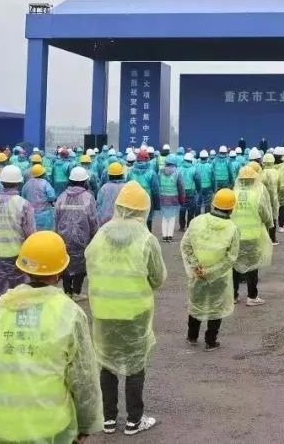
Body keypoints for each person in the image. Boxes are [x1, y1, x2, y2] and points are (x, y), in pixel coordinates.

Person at [0, 231, 103, 443]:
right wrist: (86, 425)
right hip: (50, 428)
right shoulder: (69, 314)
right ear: (61, 271)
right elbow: (83, 378)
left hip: (1, 425)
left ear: (24, 268)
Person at [86, 181, 166, 436]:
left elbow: (90, 264)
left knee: (107, 364)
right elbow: (158, 278)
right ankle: (134, 420)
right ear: (143, 209)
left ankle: (108, 418)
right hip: (135, 312)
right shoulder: (146, 239)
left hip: (103, 310)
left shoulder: (101, 234)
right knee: (135, 364)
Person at [180, 188, 240, 351]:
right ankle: (210, 341)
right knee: (216, 307)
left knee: (197, 303)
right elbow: (231, 257)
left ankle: (192, 336)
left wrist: (196, 267)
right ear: (231, 208)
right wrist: (211, 272)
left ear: (214, 204)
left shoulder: (197, 221)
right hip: (219, 277)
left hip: (197, 273)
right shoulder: (232, 228)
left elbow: (186, 245)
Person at [0, 165, 34, 309]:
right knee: (17, 291)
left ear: (1, 182)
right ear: (19, 182)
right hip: (16, 253)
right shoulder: (23, 204)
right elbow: (30, 233)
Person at [231, 165, 274, 305]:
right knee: (253, 267)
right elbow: (265, 214)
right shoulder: (257, 194)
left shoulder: (233, 194)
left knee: (234, 266)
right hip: (253, 235)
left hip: (235, 235)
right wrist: (268, 224)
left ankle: (233, 295)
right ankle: (252, 296)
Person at [54, 167, 99, 299]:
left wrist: (57, 235)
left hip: (64, 237)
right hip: (82, 238)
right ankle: (77, 292)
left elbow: (56, 217)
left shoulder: (62, 197)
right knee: (80, 265)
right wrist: (94, 236)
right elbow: (93, 220)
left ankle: (67, 291)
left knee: (65, 263)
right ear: (85, 182)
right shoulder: (88, 198)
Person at [156, 155, 186, 242]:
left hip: (163, 197)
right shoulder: (177, 173)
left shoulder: (160, 172)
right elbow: (181, 187)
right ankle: (169, 236)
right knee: (172, 217)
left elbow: (157, 185)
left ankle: (164, 236)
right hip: (173, 199)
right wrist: (182, 197)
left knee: (164, 217)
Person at [22, 164, 58, 231]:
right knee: (45, 233)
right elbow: (52, 196)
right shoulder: (45, 183)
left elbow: (23, 197)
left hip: (31, 214)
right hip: (45, 216)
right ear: (43, 174)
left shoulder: (27, 184)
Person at [178, 152, 201, 231]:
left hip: (181, 192)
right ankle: (189, 227)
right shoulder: (194, 170)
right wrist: (198, 190)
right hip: (191, 192)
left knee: (182, 209)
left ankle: (181, 227)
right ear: (191, 160)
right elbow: (198, 181)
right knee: (191, 210)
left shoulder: (179, 169)